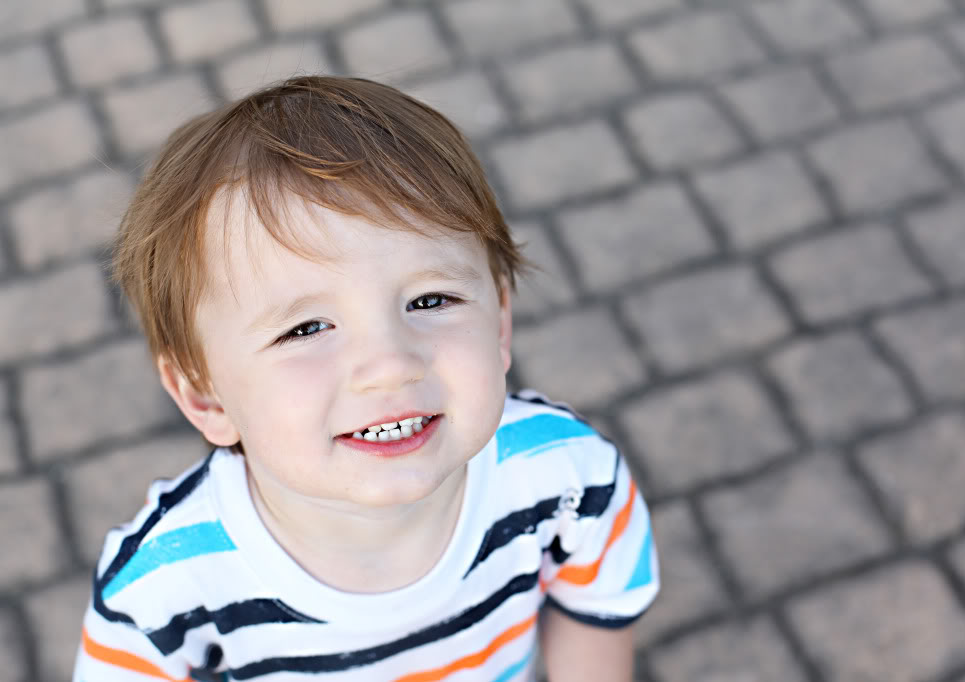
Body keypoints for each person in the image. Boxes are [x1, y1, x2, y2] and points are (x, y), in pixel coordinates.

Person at [73, 75, 659, 681]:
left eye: (431, 300)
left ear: (501, 323)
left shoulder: (569, 478)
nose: (389, 365)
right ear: (204, 393)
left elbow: (597, 611)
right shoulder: (157, 599)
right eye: (305, 329)